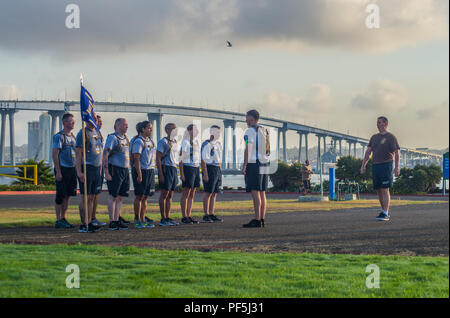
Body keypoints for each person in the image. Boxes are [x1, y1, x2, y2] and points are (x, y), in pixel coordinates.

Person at [361, 116, 400, 221]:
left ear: (385, 124)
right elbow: (368, 152)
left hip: (386, 165)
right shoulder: (374, 137)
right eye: (377, 122)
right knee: (378, 189)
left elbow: (397, 152)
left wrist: (396, 168)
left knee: (385, 188)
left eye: (380, 122)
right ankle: (383, 211)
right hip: (375, 165)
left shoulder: (391, 137)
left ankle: (386, 212)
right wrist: (363, 165)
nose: (377, 124)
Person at [241, 109, 270, 228]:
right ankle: (262, 218)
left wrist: (244, 165)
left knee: (255, 191)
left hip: (254, 163)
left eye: (249, 120)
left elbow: (248, 148)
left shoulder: (249, 131)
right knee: (262, 192)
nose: (247, 123)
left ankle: (257, 219)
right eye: (247, 121)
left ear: (253, 119)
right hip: (265, 162)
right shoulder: (265, 130)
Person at [75, 117, 103, 233]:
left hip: (96, 168)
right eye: (93, 119)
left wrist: (101, 169)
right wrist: (79, 172)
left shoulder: (98, 133)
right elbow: (78, 154)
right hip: (86, 167)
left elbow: (100, 151)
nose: (95, 121)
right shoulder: (82, 133)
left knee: (92, 196)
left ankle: (90, 221)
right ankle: (84, 223)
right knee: (85, 197)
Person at [103, 118, 131, 230]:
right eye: (124, 124)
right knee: (113, 196)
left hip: (124, 170)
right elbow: (105, 154)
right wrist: (106, 172)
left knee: (120, 197)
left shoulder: (125, 139)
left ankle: (117, 219)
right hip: (115, 169)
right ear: (118, 126)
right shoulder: (113, 138)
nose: (127, 126)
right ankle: (112, 221)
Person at [52, 113, 77, 229]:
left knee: (67, 195)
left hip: (72, 169)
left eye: (73, 122)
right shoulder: (59, 136)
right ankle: (58, 219)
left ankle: (63, 217)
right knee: (60, 195)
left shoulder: (73, 137)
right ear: (65, 122)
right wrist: (58, 171)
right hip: (63, 168)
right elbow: (55, 154)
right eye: (71, 122)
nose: (73, 124)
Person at [130, 121, 156, 229]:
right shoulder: (139, 141)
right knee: (139, 196)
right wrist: (139, 174)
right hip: (142, 170)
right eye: (148, 128)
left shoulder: (150, 141)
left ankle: (143, 218)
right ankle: (137, 219)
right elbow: (136, 158)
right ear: (142, 129)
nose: (150, 130)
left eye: (151, 128)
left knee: (145, 196)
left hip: (150, 170)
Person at [156, 123, 180, 226]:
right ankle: (163, 218)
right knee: (164, 193)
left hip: (173, 168)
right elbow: (158, 158)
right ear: (167, 130)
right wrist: (160, 174)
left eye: (176, 129)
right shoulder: (163, 141)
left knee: (170, 194)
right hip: (166, 168)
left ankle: (168, 217)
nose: (176, 131)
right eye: (173, 129)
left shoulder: (175, 142)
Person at [201, 125, 223, 223]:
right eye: (217, 132)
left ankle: (211, 213)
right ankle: (206, 214)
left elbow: (219, 158)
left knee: (214, 193)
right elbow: (203, 160)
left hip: (217, 168)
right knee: (208, 192)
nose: (219, 134)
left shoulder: (218, 144)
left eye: (219, 132)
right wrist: (205, 174)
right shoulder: (207, 144)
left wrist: (220, 170)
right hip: (210, 168)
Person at [179, 124, 201, 224]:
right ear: (189, 131)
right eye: (194, 130)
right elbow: (180, 159)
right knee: (186, 193)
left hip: (195, 167)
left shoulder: (196, 142)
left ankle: (189, 215)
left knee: (192, 193)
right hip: (187, 167)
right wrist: (182, 174)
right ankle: (184, 216)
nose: (197, 131)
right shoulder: (185, 142)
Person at [91, 114, 106, 227]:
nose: (100, 123)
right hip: (90, 167)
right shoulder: (87, 134)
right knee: (89, 195)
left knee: (96, 195)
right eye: (98, 121)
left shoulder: (99, 135)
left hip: (99, 168)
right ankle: (88, 219)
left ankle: (93, 217)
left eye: (101, 122)